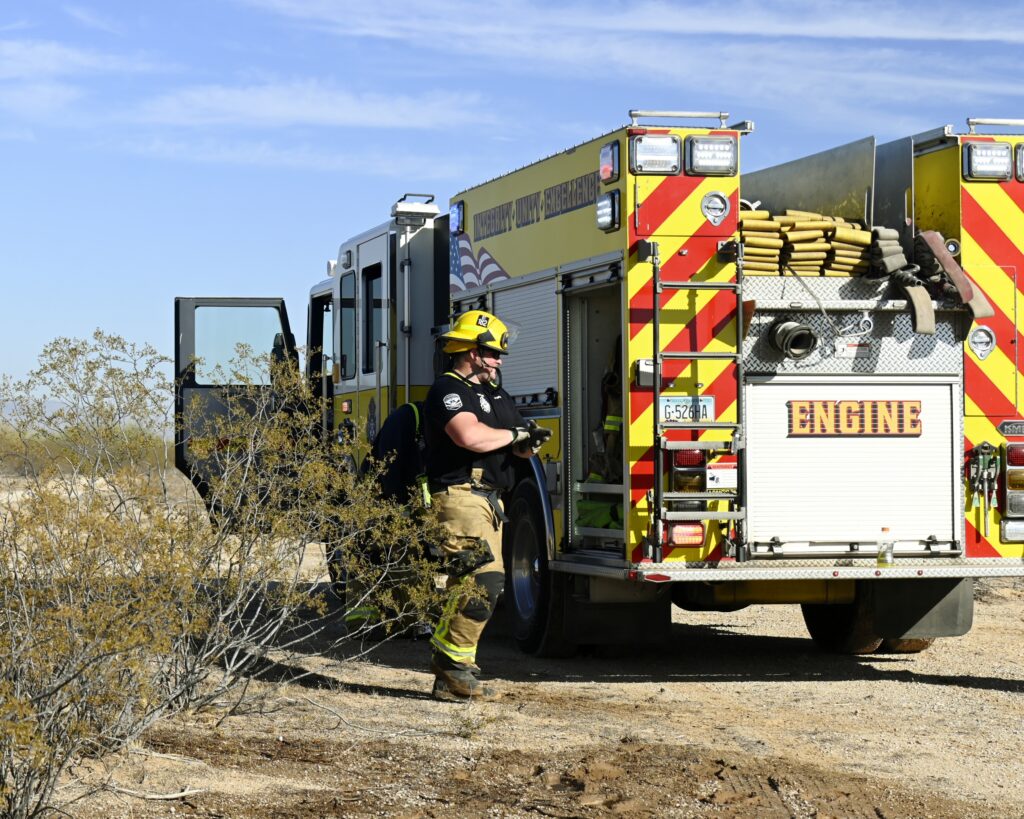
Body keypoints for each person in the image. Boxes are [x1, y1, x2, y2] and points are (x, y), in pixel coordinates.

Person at [424, 309, 549, 701]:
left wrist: (528, 442)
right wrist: (514, 435)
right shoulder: (448, 390)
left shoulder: (497, 394)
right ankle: (453, 668)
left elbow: (515, 443)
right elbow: (469, 436)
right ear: (473, 353)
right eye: (493, 354)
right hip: (461, 496)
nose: (499, 361)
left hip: (490, 502)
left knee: (476, 585)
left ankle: (452, 673)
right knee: (483, 581)